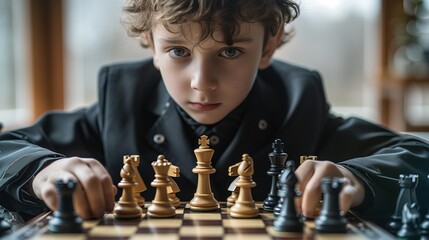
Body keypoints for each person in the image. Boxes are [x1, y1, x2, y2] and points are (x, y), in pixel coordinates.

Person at [0, 0, 428, 225]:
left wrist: (357, 179)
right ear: (150, 43)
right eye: (178, 51)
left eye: (229, 50)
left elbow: (418, 155)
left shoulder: (299, 108)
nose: (202, 81)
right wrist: (41, 172)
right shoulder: (121, 106)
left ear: (270, 44)